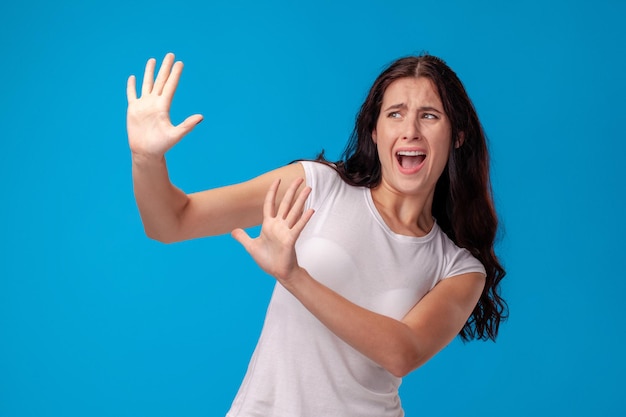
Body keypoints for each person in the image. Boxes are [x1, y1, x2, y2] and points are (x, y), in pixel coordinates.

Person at [126, 52, 507, 417]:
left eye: (429, 116)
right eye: (395, 114)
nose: (410, 130)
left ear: (457, 135)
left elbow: (401, 352)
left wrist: (294, 276)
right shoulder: (316, 186)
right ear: (374, 130)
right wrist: (146, 159)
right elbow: (170, 223)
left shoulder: (459, 269)